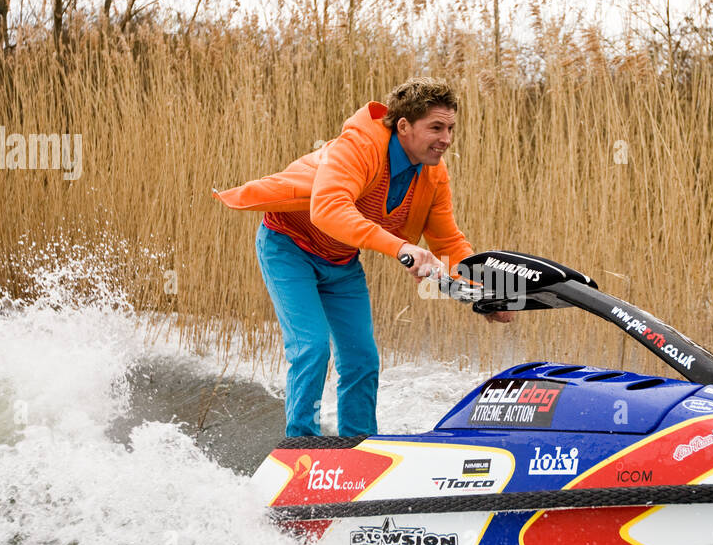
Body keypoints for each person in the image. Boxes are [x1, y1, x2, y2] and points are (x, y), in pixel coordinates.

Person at [214, 77, 510, 438]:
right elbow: (328, 209)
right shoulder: (360, 145)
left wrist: (490, 291)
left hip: (340, 263)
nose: (446, 138)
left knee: (362, 360)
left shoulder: (434, 175)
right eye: (436, 127)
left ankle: (359, 446)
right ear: (404, 126)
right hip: (288, 247)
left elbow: (448, 242)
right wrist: (401, 248)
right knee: (312, 348)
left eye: (450, 128)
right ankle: (299, 445)